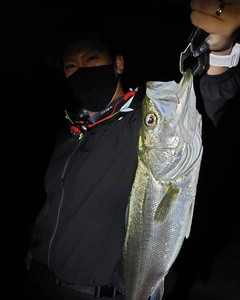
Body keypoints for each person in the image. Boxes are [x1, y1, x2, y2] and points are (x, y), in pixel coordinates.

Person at [24, 0, 240, 299]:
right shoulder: (70, 129)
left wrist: (222, 50)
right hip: (39, 278)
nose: (81, 70)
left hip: (97, 291)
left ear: (118, 64)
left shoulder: (138, 119)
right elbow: (55, 200)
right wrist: (37, 246)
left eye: (91, 58)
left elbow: (206, 101)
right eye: (71, 66)